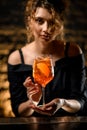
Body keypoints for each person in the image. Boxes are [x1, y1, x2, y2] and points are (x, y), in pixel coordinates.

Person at [7, 0, 87, 117]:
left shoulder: (72, 52)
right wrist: (33, 101)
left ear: (60, 23)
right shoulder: (16, 59)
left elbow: (81, 102)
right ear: (30, 21)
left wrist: (62, 103)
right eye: (40, 21)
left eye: (52, 22)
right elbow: (18, 111)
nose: (46, 29)